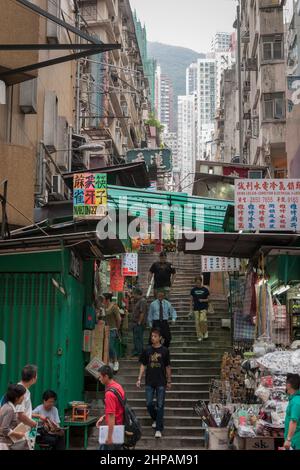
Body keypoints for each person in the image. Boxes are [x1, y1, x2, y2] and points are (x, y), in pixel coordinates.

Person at [137, 328, 172, 439]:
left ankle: (158, 429)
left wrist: (169, 380)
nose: (153, 338)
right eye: (152, 336)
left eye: (155, 336)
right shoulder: (147, 350)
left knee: (160, 405)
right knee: (149, 404)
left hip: (161, 381)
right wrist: (139, 378)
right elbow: (143, 365)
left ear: (160, 338)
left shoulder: (165, 351)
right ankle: (157, 418)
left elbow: (167, 366)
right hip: (149, 381)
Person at [96, 365, 125, 451]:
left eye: (100, 377)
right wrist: (104, 416)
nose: (99, 379)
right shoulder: (118, 387)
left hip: (113, 429)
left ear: (106, 376)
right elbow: (117, 408)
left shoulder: (109, 394)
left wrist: (109, 436)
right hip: (119, 426)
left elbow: (112, 416)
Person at [0, 384, 27, 450]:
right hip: (4, 444)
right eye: (22, 396)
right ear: (16, 398)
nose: (24, 398)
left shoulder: (7, 406)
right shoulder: (10, 409)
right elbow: (4, 429)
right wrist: (17, 434)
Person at [16, 364, 43, 428]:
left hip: (23, 430)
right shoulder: (21, 391)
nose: (37, 377)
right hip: (19, 431)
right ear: (33, 378)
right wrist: (33, 424)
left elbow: (25, 412)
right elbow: (20, 414)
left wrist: (38, 416)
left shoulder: (25, 390)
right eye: (36, 375)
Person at [103, 293, 121, 372]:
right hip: (104, 329)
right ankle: (110, 362)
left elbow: (119, 319)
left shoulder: (114, 307)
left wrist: (117, 328)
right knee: (106, 347)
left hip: (112, 329)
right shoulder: (103, 307)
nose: (102, 301)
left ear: (107, 300)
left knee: (110, 346)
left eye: (103, 299)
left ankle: (116, 361)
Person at [190, 275, 210, 342]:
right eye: (196, 282)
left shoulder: (205, 289)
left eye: (199, 282)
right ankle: (200, 336)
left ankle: (205, 332)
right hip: (196, 308)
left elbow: (209, 299)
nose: (198, 284)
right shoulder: (193, 290)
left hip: (203, 308)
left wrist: (203, 300)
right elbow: (191, 300)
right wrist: (190, 309)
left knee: (202, 320)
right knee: (197, 323)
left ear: (201, 282)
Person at [284, 373, 300, 450]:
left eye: (286, 383)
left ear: (289, 385)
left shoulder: (296, 402)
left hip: (295, 442)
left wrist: (288, 439)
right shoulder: (294, 399)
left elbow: (294, 421)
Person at [132, 288, 148, 357]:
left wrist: (139, 322)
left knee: (138, 337)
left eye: (134, 294)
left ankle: (140, 352)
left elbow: (142, 312)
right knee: (136, 337)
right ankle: (137, 351)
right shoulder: (138, 301)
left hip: (139, 323)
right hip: (135, 322)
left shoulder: (142, 301)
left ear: (137, 294)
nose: (133, 295)